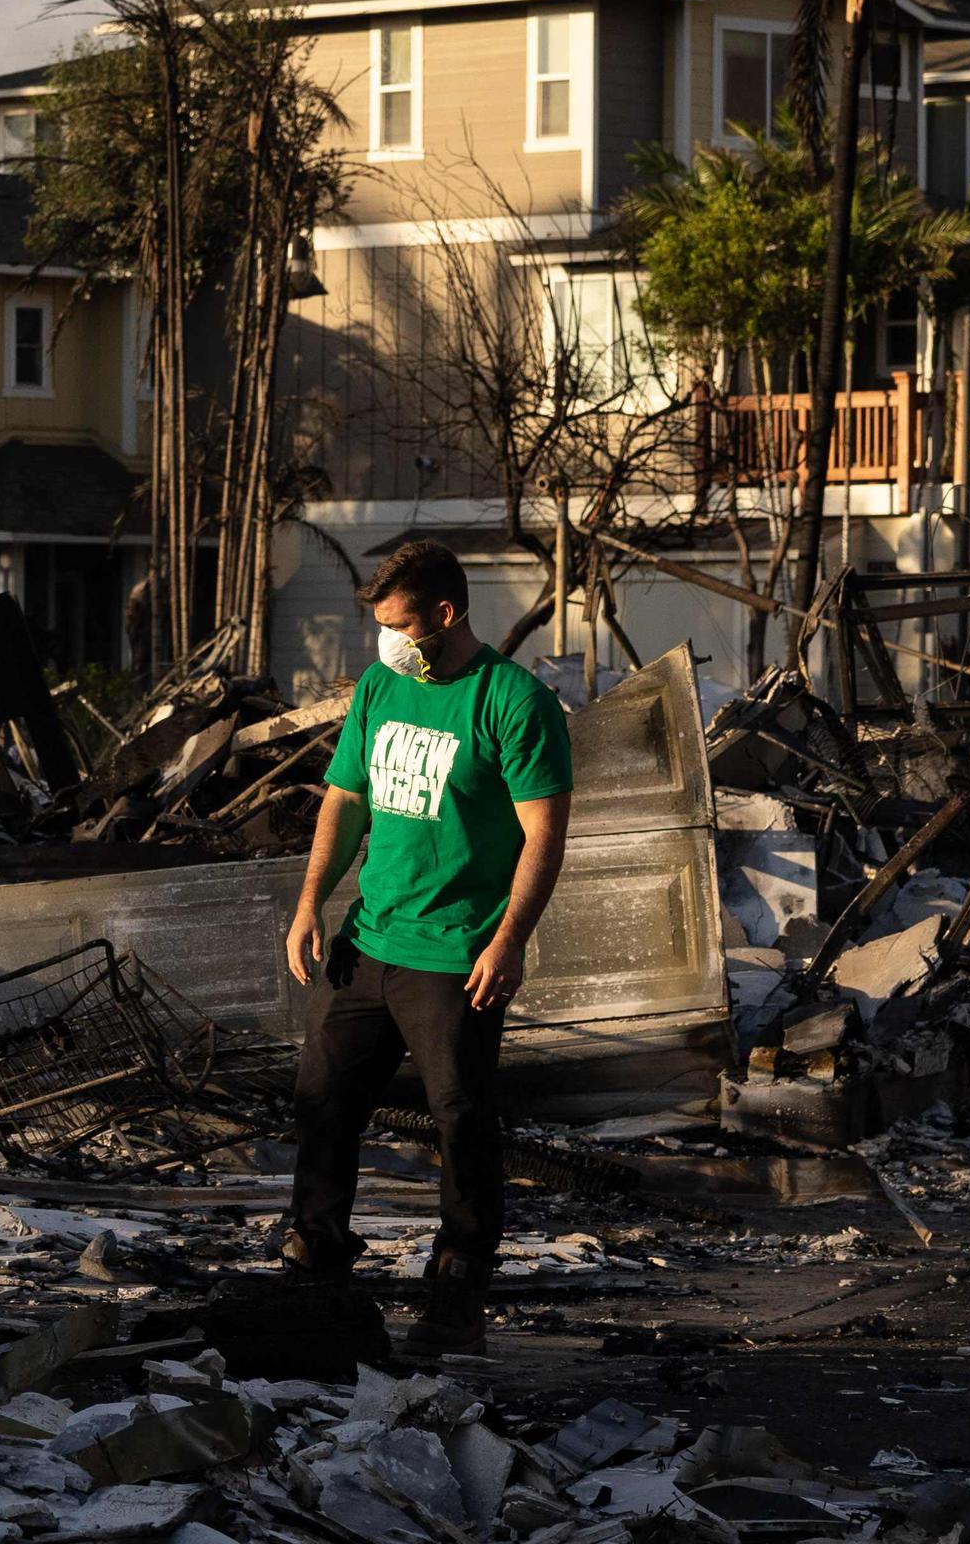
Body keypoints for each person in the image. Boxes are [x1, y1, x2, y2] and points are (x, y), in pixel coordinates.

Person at [281, 538, 573, 1357]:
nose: (388, 641)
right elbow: (343, 804)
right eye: (380, 625)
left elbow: (543, 838)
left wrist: (509, 940)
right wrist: (311, 904)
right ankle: (315, 1258)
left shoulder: (513, 702)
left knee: (462, 1122)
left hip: (456, 955)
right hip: (369, 940)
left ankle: (457, 1289)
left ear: (445, 615)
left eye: (401, 625)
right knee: (322, 1100)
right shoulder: (380, 686)